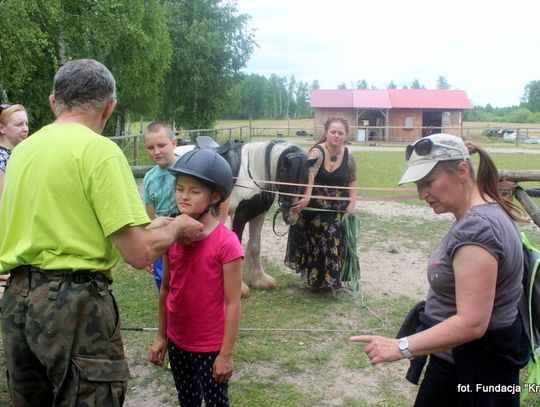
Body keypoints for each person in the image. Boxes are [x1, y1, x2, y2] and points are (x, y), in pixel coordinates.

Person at [0, 59, 204, 407]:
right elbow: (138, 253)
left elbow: (70, 221)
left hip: (17, 302)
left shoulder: (22, 152)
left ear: (53, 102)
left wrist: (156, 226)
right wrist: (179, 227)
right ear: (110, 107)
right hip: (74, 307)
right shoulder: (100, 151)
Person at [350, 134, 529, 406]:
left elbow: (472, 323)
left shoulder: (476, 229)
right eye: (419, 185)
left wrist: (401, 347)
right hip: (480, 365)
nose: (422, 194)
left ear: (462, 171)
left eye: (428, 182)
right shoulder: (491, 211)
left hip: (468, 369)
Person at [150, 148, 243, 407]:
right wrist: (161, 336)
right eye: (180, 188)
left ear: (214, 196)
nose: (184, 196)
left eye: (194, 190)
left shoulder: (227, 243)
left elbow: (233, 302)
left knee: (215, 403)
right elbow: (166, 290)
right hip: (178, 341)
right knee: (187, 400)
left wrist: (225, 354)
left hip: (211, 346)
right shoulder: (172, 235)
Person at [285, 116, 357, 293]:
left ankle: (330, 282)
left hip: (338, 207)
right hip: (316, 207)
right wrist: (307, 197)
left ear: (345, 135)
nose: (336, 136)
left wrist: (352, 204)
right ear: (326, 133)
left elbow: (353, 181)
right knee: (321, 241)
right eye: (333, 132)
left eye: (340, 133)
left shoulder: (349, 156)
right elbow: (309, 175)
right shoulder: (316, 152)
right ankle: (318, 281)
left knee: (334, 241)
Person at [143, 121, 179, 290]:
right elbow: (150, 217)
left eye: (162, 145)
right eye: (150, 147)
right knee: (164, 283)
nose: (156, 151)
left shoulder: (188, 169)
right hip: (161, 241)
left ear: (174, 144)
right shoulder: (149, 178)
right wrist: (149, 251)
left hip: (184, 237)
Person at [0, 103, 29, 202]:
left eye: (26, 123)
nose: (25, 129)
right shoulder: (1, 159)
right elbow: (3, 201)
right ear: (2, 128)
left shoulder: (15, 154)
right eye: (19, 124)